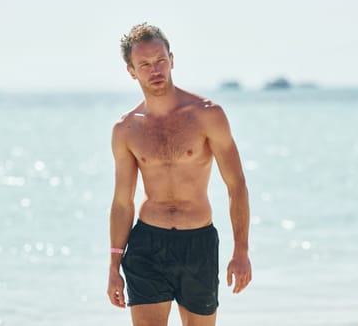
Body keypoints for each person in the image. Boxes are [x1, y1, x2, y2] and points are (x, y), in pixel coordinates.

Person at [107, 23, 252, 326]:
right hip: (147, 243)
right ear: (132, 71)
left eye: (160, 60)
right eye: (144, 64)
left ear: (172, 60)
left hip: (198, 242)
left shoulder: (207, 115)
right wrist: (113, 266)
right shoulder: (125, 129)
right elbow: (123, 202)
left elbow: (236, 185)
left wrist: (241, 250)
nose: (155, 69)